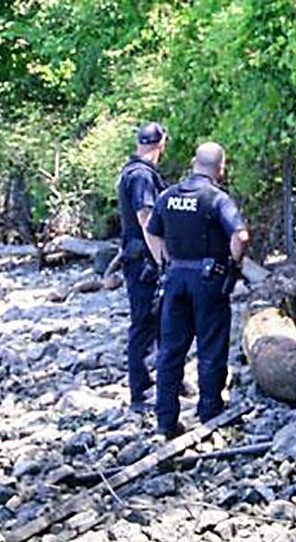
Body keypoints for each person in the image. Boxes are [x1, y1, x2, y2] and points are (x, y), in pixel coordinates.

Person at [146, 142, 250, 439]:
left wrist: (164, 261)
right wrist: (233, 261)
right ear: (221, 167)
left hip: (175, 278)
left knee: (170, 352)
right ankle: (210, 413)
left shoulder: (168, 196)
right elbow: (240, 236)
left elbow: (152, 231)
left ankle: (165, 420)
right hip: (208, 280)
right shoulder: (216, 199)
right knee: (211, 348)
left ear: (193, 162)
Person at [116, 121, 169, 412]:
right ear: (160, 145)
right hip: (144, 260)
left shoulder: (133, 172)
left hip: (139, 257)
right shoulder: (141, 177)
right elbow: (145, 218)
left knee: (161, 319)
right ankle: (141, 390)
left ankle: (165, 378)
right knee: (145, 321)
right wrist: (162, 257)